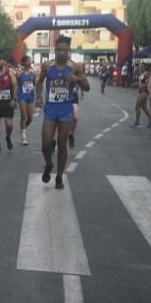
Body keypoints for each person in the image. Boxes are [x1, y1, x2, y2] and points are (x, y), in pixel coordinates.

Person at [35, 36, 89, 189]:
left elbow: (87, 87)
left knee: (62, 144)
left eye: (64, 50)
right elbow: (39, 82)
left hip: (66, 110)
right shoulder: (47, 65)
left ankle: (59, 177)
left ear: (69, 51)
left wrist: (76, 80)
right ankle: (48, 163)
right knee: (46, 144)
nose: (61, 53)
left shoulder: (76, 67)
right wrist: (38, 97)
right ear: (55, 50)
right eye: (58, 50)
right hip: (50, 110)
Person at [0, 58, 17, 154]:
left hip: (8, 101)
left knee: (9, 124)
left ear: (4, 62)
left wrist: (14, 99)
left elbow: (15, 86)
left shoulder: (10, 73)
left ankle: (8, 136)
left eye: (0, 61)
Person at [17, 56, 37, 145]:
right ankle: (24, 136)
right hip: (22, 96)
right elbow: (15, 85)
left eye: (30, 61)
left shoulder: (33, 73)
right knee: (24, 116)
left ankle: (23, 129)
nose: (30, 62)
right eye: (28, 61)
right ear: (24, 62)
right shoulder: (19, 73)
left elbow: (36, 84)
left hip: (30, 96)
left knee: (30, 117)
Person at [131, 63, 151, 128]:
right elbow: (142, 82)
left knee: (137, 107)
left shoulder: (146, 74)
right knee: (144, 107)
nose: (139, 68)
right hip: (141, 92)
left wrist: (143, 86)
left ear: (144, 67)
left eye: (141, 67)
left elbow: (149, 83)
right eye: (139, 67)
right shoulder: (142, 74)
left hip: (144, 92)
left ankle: (137, 123)